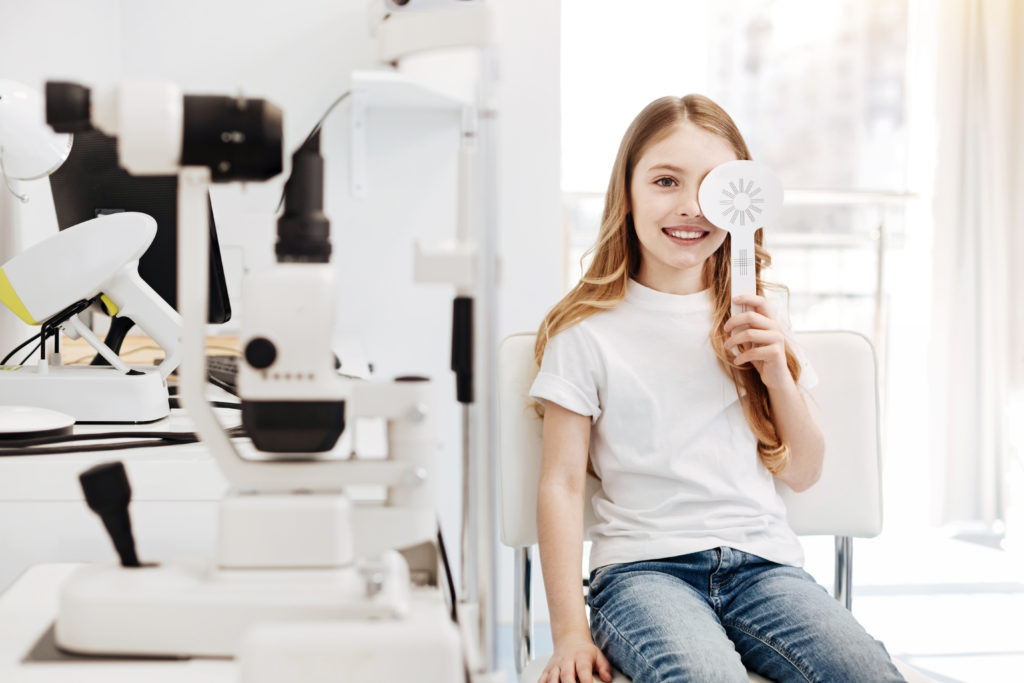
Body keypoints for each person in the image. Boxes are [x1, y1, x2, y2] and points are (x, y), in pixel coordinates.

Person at [529, 95, 905, 683]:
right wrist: (569, 632)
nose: (689, 206)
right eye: (665, 181)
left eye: (711, 186)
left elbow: (804, 471)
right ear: (625, 193)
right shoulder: (586, 334)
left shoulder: (764, 310)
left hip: (765, 569)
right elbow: (560, 483)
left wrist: (776, 368)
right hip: (642, 573)